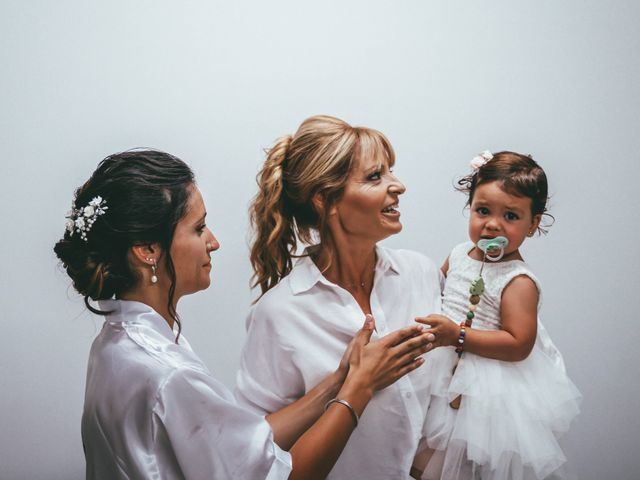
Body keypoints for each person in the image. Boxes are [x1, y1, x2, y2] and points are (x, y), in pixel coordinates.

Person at [53, 150, 435, 480]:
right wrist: (360, 389)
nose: (213, 242)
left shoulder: (117, 342)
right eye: (198, 227)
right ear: (148, 250)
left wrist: (337, 382)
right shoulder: (170, 374)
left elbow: (245, 445)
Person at [236, 115, 443, 479]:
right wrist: (345, 383)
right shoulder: (281, 313)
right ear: (326, 200)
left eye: (390, 172)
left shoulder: (421, 274)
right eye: (375, 176)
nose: (399, 186)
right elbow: (254, 450)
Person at [415, 151, 582, 479]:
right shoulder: (459, 254)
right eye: (483, 210)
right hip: (440, 370)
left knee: (465, 462)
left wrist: (457, 335)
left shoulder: (518, 281)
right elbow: (437, 292)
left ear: (533, 224)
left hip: (485, 388)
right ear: (470, 207)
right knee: (419, 456)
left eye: (511, 216)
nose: (492, 224)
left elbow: (519, 344)